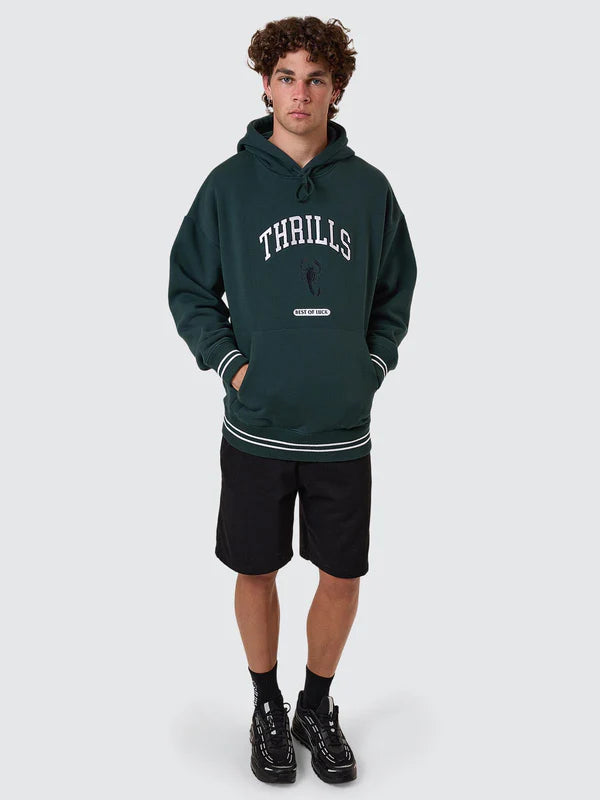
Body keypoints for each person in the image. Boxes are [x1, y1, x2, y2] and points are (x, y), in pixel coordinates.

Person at [168, 15, 417, 785]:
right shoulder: (229, 186)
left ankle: (315, 705)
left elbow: (396, 291)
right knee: (256, 568)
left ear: (337, 89)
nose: (300, 93)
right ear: (265, 85)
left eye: (316, 78)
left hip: (342, 427)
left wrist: (371, 363)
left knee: (342, 574)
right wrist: (232, 366)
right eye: (286, 77)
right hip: (258, 426)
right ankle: (266, 706)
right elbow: (190, 288)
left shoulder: (369, 189)